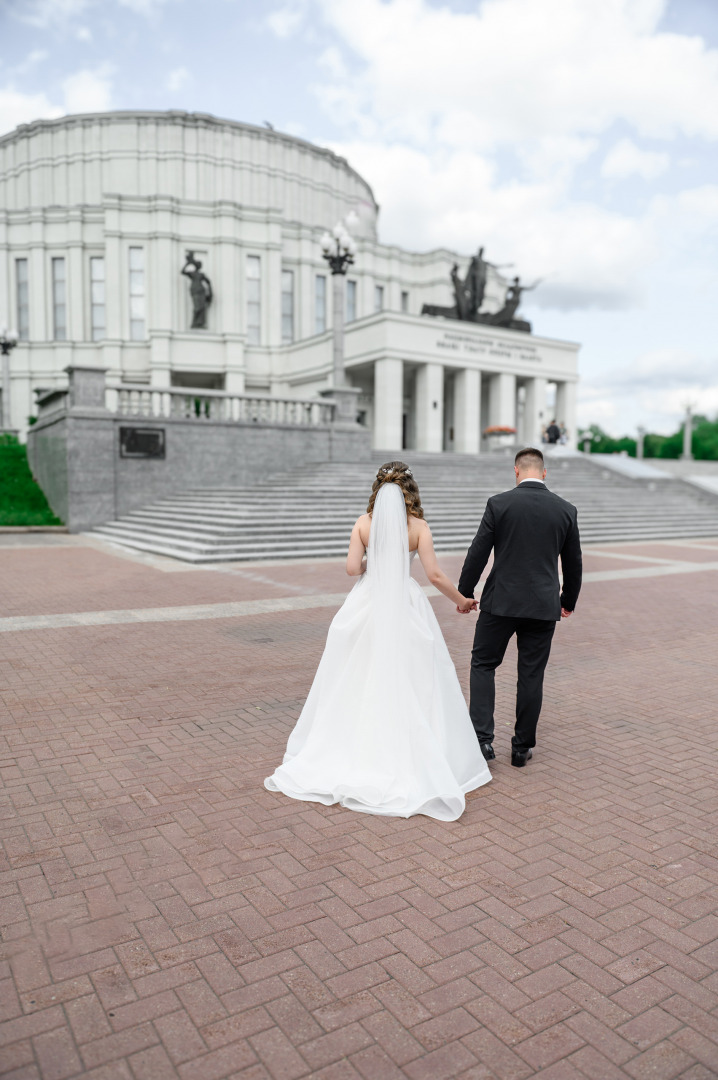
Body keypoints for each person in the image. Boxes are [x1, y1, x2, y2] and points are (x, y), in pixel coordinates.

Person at [265, 462, 492, 820]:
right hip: (404, 602)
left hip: (367, 602)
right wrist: (461, 600)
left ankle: (354, 746)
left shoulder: (363, 523)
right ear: (410, 491)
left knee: (358, 673)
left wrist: (378, 563)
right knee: (412, 675)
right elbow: (433, 573)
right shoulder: (418, 527)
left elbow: (353, 569)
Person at [458, 447, 582, 767]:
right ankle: (521, 747)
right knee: (531, 674)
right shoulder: (566, 510)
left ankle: (482, 741)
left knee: (483, 664)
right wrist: (567, 601)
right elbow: (574, 564)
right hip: (543, 605)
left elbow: (478, 552)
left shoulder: (499, 504)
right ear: (543, 473)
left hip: (500, 602)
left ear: (516, 471)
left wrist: (464, 591)